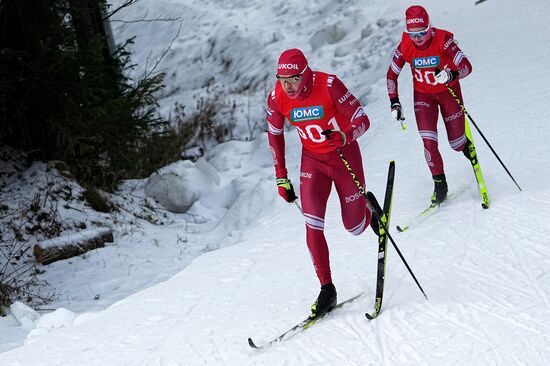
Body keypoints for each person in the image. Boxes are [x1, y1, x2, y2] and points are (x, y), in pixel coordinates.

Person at [266, 48, 375, 318]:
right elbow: (274, 135)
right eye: (282, 79)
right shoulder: (276, 96)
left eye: (293, 79)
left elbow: (363, 120)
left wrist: (344, 136)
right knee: (312, 224)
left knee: (355, 227)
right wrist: (281, 175)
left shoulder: (329, 84)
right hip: (312, 163)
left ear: (306, 73)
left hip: (342, 156)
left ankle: (370, 211)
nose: (288, 86)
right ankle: (327, 288)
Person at [387, 5, 479, 204]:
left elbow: (466, 67)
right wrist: (395, 102)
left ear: (429, 28)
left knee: (456, 144)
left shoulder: (444, 40)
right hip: (423, 98)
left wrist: (451, 75)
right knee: (429, 141)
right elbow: (391, 75)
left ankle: (465, 146)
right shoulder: (405, 46)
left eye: (422, 33)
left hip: (448, 93)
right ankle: (439, 183)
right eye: (413, 35)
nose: (418, 39)